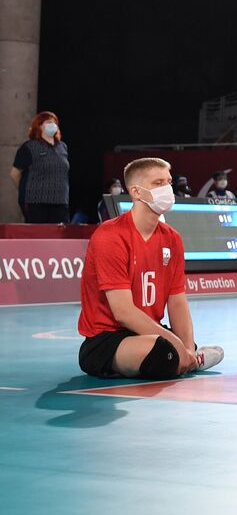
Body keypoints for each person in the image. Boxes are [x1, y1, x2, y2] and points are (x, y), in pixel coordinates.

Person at [77, 157, 223, 379]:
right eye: (158, 183)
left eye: (168, 182)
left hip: (148, 331)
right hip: (107, 338)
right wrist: (176, 343)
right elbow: (123, 312)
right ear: (136, 192)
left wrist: (187, 347)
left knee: (178, 346)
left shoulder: (172, 239)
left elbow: (177, 301)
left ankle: (189, 357)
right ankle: (187, 361)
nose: (167, 189)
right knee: (165, 351)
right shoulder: (110, 236)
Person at [10, 111, 69, 223]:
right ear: (39, 126)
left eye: (55, 123)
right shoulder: (29, 147)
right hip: (37, 203)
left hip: (60, 201)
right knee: (37, 236)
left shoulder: (62, 147)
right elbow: (15, 173)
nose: (53, 125)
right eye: (48, 122)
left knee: (59, 237)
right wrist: (25, 190)